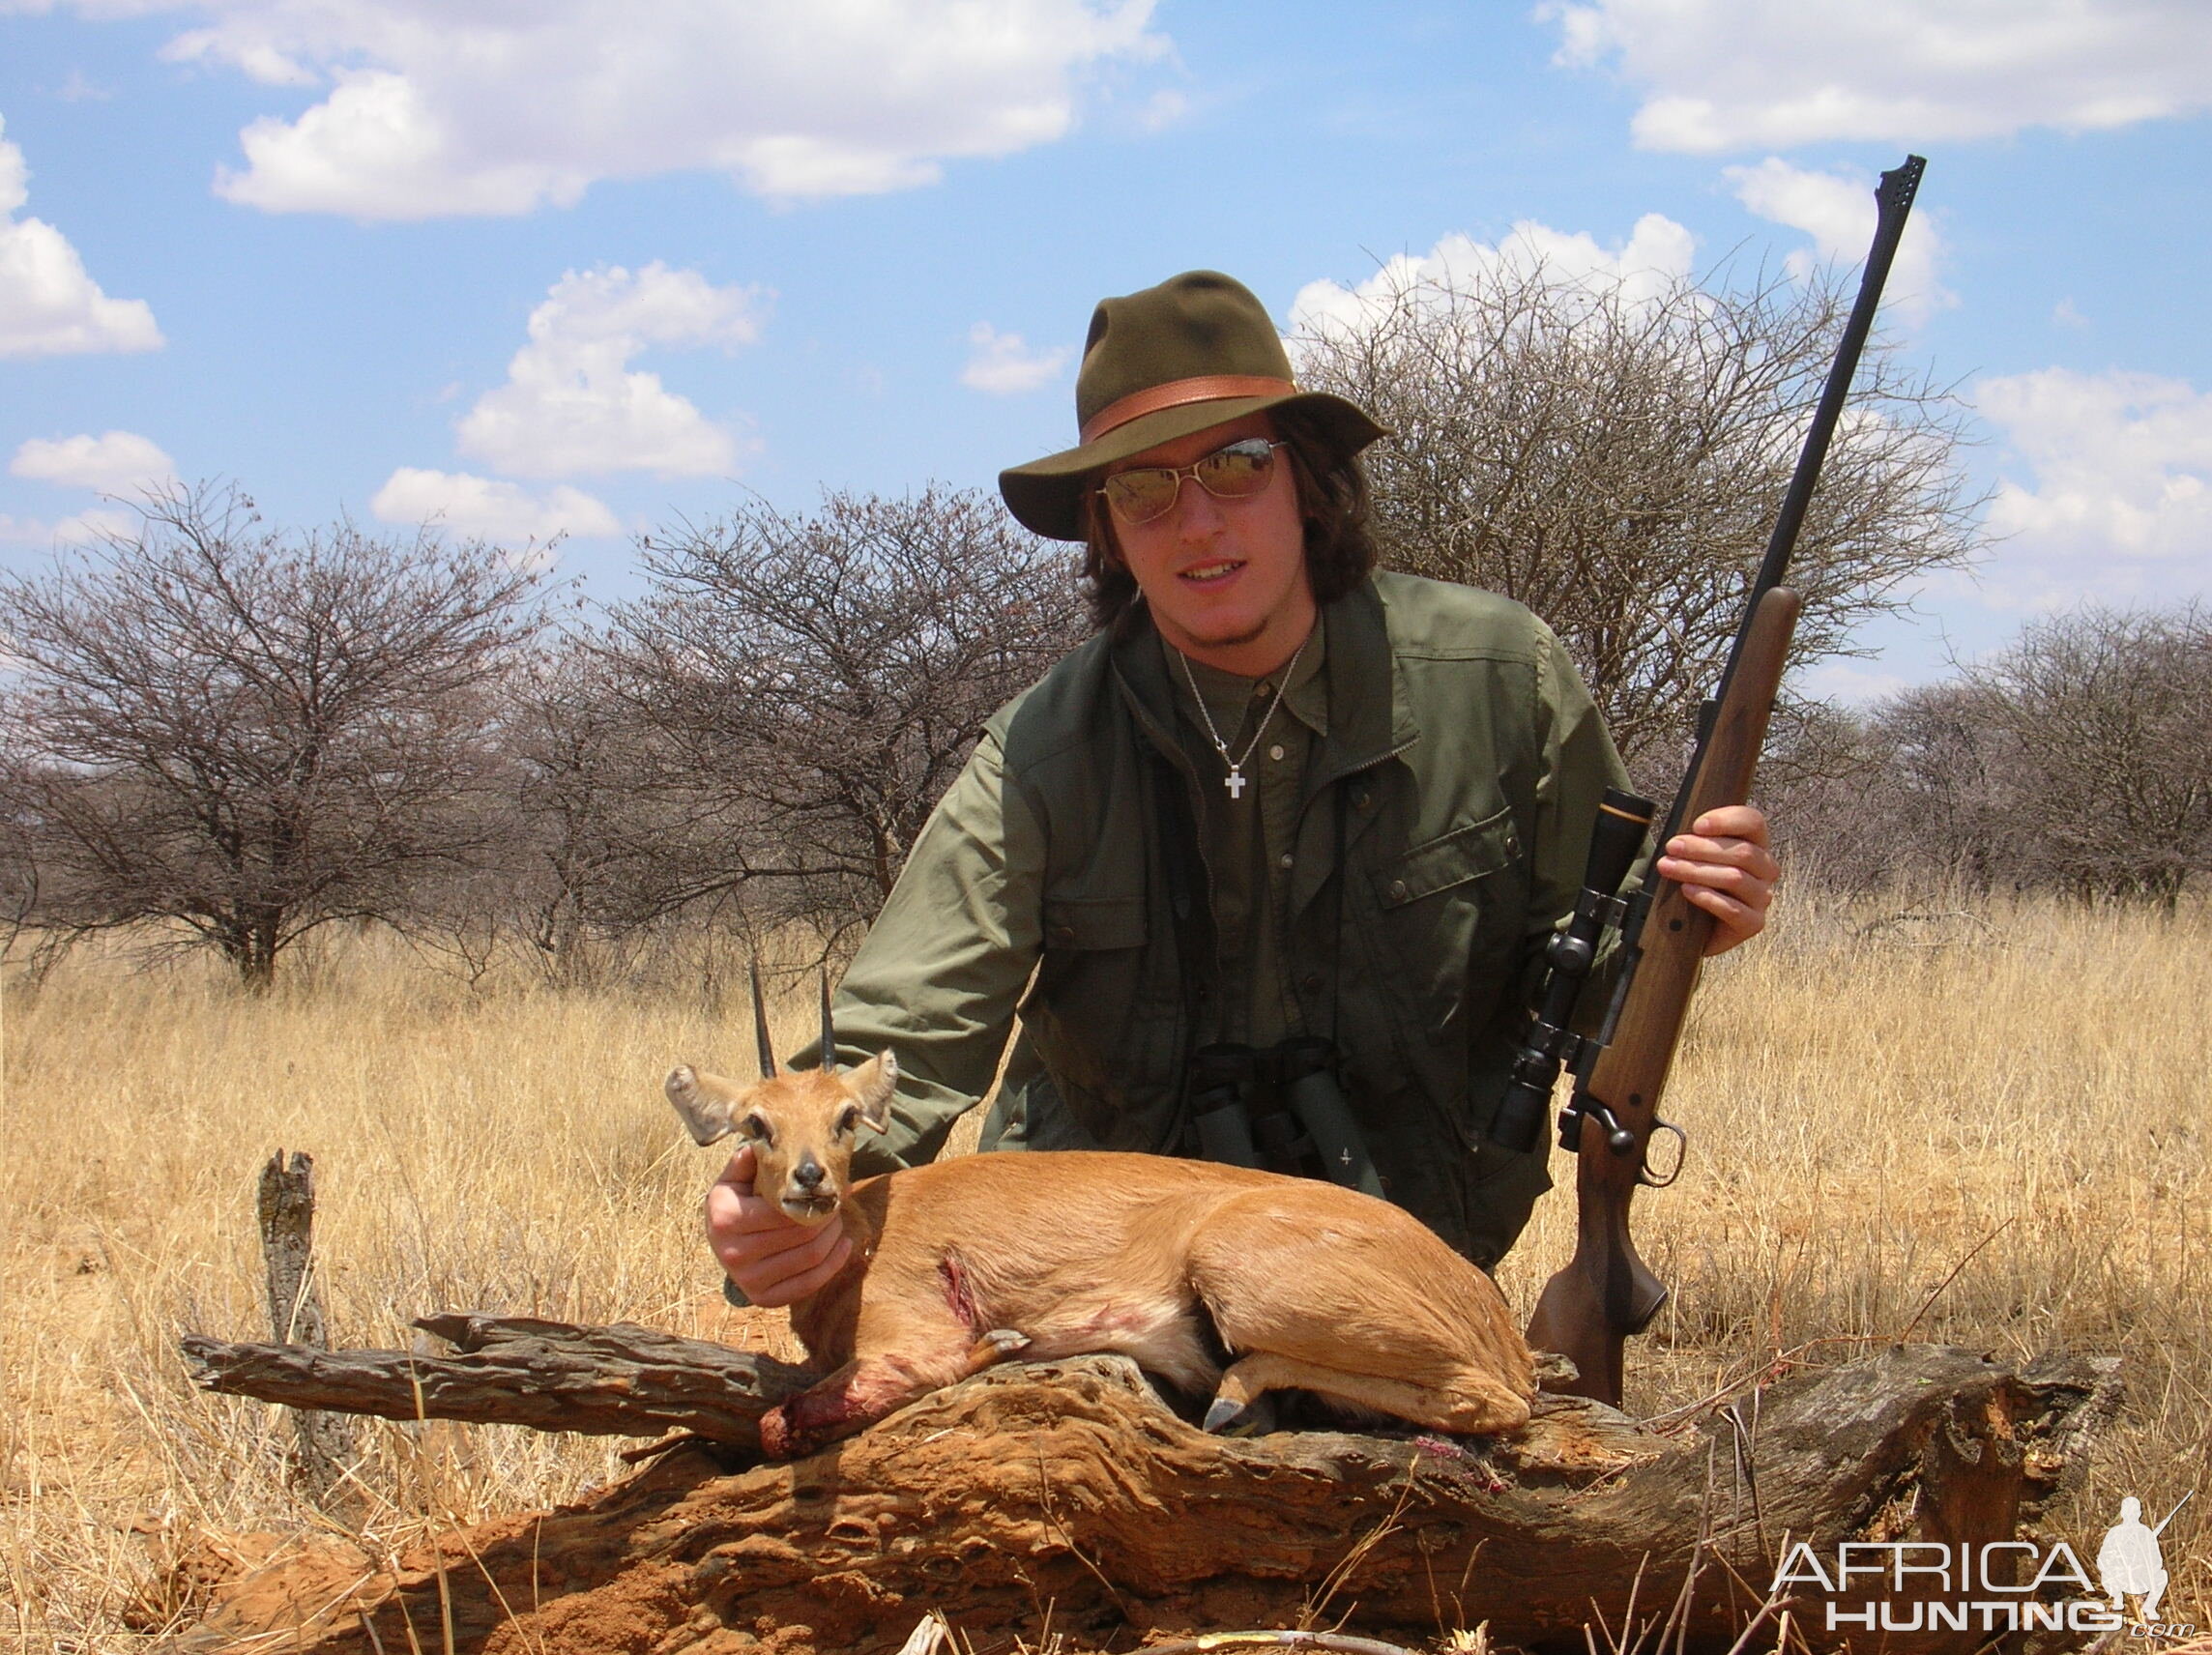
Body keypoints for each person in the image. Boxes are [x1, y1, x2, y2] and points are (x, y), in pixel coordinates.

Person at [709, 270, 1779, 1306]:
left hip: (1400, 1263)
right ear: (1106, 528)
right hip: (1092, 1285)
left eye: (1236, 464)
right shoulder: (1042, 749)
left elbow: (1601, 969)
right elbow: (908, 1020)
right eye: (1142, 487)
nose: (1197, 523)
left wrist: (1697, 917)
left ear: (1308, 481)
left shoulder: (1502, 677)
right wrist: (773, 1196)